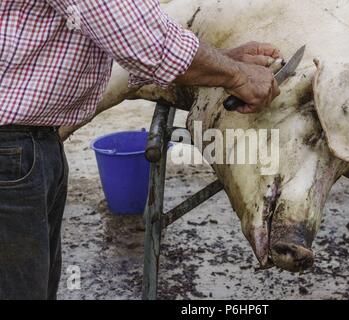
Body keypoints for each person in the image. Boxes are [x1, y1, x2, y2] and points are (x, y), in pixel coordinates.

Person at [0, 0, 281, 299]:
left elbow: (112, 38)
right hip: (11, 150)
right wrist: (236, 74)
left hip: (31, 146)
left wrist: (219, 62)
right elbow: (138, 35)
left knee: (35, 285)